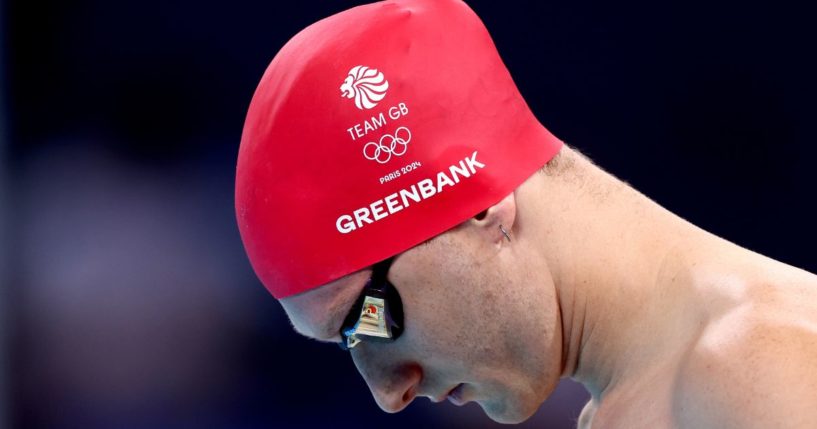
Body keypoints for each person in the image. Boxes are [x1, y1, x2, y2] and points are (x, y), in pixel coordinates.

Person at [234, 0, 817, 427]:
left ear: (481, 205)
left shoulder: (759, 369)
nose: (389, 392)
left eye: (365, 318)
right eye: (346, 343)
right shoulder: (638, 403)